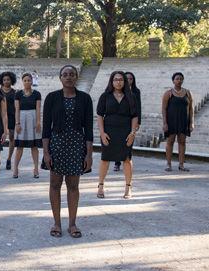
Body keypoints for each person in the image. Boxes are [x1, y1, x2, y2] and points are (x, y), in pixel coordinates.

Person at [43, 64, 93, 238]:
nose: (69, 77)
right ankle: (56, 223)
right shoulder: (51, 98)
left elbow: (89, 128)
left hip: (76, 146)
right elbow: (46, 128)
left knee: (73, 186)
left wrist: (88, 154)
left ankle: (72, 224)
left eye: (72, 74)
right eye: (65, 74)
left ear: (76, 77)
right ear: (60, 78)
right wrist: (46, 152)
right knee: (55, 185)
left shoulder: (85, 99)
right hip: (57, 145)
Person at [96, 71, 140, 199]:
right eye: (116, 79)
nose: (118, 82)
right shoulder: (105, 96)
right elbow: (99, 115)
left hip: (126, 132)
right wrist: (102, 133)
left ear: (124, 81)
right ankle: (101, 186)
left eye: (121, 79)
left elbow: (135, 116)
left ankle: (128, 187)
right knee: (105, 158)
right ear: (111, 81)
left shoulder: (131, 96)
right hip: (109, 131)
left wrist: (132, 133)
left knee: (127, 159)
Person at [162, 72, 194, 172]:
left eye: (181, 79)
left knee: (182, 142)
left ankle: (181, 165)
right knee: (170, 141)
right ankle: (168, 164)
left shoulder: (188, 93)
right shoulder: (168, 93)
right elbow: (164, 109)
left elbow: (191, 109)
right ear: (173, 80)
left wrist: (192, 122)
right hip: (171, 121)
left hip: (184, 121)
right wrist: (165, 123)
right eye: (177, 79)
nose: (179, 80)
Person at [13, 73, 42, 179]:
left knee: (34, 146)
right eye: (25, 80)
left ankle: (36, 169)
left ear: (32, 81)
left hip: (33, 119)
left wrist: (38, 122)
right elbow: (17, 109)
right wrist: (17, 123)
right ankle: (15, 168)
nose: (27, 82)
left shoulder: (37, 94)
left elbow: (38, 108)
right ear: (22, 81)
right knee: (19, 146)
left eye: (29, 80)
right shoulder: (18, 94)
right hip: (21, 119)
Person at [114, 72, 141, 171]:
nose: (129, 80)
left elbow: (138, 108)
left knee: (129, 141)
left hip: (131, 121)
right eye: (127, 78)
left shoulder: (136, 92)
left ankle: (127, 160)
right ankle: (117, 163)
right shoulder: (117, 91)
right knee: (118, 142)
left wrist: (138, 122)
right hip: (120, 121)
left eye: (131, 79)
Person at [0, 71, 17, 170]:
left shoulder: (15, 92)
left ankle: (9, 159)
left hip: (12, 117)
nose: (6, 81)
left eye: (8, 79)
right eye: (4, 80)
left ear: (11, 80)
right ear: (1, 80)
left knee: (12, 137)